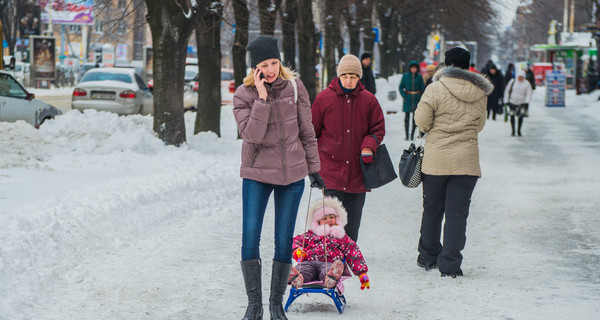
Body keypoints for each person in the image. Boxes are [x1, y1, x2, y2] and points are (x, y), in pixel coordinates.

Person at [233, 35, 325, 320]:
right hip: (257, 175)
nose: (271, 69)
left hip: (292, 176)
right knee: (251, 238)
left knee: (284, 241)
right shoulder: (243, 95)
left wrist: (314, 169)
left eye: (274, 62)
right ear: (254, 68)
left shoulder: (295, 88)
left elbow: (307, 132)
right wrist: (261, 98)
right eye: (264, 65)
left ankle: (275, 305)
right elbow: (251, 135)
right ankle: (254, 306)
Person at [414, 47, 492, 278]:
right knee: (457, 214)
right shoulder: (479, 91)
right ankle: (450, 265)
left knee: (432, 210)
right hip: (466, 161)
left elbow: (421, 121)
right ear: (469, 66)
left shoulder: (435, 88)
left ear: (446, 64)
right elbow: (479, 125)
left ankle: (428, 257)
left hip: (436, 160)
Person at [311, 54, 385, 242]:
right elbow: (312, 132)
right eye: (345, 76)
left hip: (357, 172)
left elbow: (378, 129)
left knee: (352, 222)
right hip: (331, 171)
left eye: (353, 76)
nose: (349, 80)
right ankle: (330, 258)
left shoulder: (369, 100)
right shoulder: (324, 99)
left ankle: (347, 257)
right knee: (330, 220)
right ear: (338, 76)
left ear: (359, 77)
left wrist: (369, 144)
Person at [289, 197, 370, 290]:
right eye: (325, 218)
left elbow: (353, 252)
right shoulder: (310, 234)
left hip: (329, 263)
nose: (329, 220)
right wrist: (297, 249)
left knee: (327, 271)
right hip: (309, 261)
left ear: (337, 218)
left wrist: (362, 273)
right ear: (318, 221)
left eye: (331, 217)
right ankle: (297, 278)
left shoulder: (340, 236)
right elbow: (295, 241)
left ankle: (330, 279)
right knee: (303, 269)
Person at [399, 60, 425, 140]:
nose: (413, 69)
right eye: (412, 68)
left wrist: (420, 97)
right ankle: (406, 135)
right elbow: (400, 87)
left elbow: (422, 88)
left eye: (415, 68)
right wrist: (404, 96)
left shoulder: (419, 77)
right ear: (410, 68)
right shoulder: (405, 76)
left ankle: (412, 135)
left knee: (414, 118)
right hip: (408, 99)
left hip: (416, 99)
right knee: (407, 118)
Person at [504, 69, 532, 137]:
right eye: (519, 76)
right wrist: (506, 101)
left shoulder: (527, 83)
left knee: (520, 117)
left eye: (521, 77)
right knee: (512, 116)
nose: (520, 78)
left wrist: (527, 102)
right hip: (512, 102)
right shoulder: (512, 81)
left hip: (522, 102)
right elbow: (507, 90)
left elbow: (529, 93)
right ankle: (513, 130)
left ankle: (519, 130)